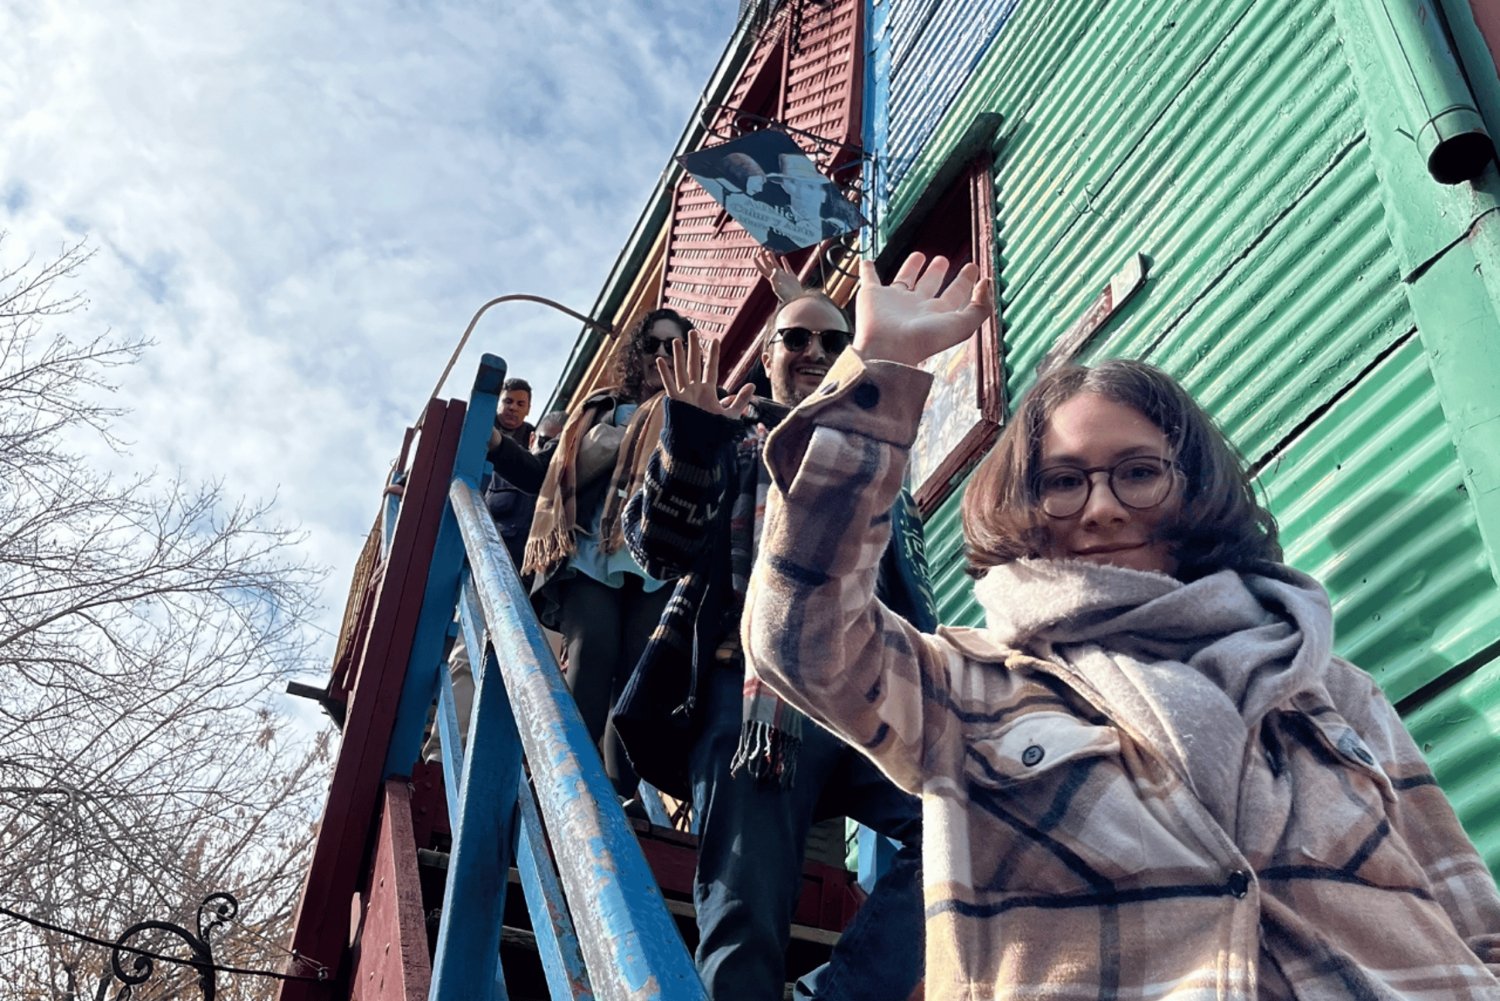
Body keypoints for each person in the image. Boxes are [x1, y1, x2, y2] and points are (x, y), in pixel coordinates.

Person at [741, 252, 1500, 999]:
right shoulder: (967, 687)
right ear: (1025, 508)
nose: (1102, 507)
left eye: (1138, 472)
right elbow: (801, 636)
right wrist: (880, 366)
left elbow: (1473, 920)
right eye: (1064, 482)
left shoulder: (1332, 688)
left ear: (1192, 487)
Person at [615, 282, 933, 1001]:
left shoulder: (879, 462)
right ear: (768, 356)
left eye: (833, 340)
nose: (816, 352)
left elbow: (908, 600)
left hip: (867, 705)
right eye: (797, 338)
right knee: (745, 925)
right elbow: (657, 547)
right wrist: (690, 444)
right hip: (756, 706)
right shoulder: (731, 439)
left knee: (960, 822)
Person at [522, 309, 688, 797]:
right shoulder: (601, 407)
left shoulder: (694, 408)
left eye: (673, 347)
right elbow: (552, 474)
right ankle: (561, 782)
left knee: (639, 675)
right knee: (593, 653)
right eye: (653, 344)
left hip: (657, 559)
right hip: (596, 548)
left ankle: (623, 795)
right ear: (636, 353)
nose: (661, 355)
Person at [423, 376, 546, 762]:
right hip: (489, 560)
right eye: (508, 401)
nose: (512, 408)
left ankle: (506, 760)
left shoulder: (533, 449)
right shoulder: (482, 435)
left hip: (532, 575)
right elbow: (447, 470)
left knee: (525, 667)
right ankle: (444, 754)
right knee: (467, 655)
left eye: (519, 403)